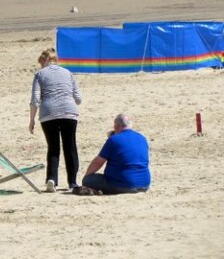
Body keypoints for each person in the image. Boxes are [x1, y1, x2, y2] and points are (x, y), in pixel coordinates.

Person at [29, 47, 82, 192]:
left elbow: (35, 100)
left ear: (45, 60)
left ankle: (52, 179)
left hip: (48, 113)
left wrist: (32, 120)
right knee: (70, 146)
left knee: (53, 147)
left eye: (41, 62)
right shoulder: (68, 73)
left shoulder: (39, 74)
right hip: (69, 112)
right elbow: (78, 98)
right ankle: (72, 182)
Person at [82, 113, 151, 195]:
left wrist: (87, 176)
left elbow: (98, 162)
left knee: (88, 180)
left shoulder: (114, 140)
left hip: (122, 184)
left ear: (117, 126)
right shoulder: (142, 138)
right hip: (144, 184)